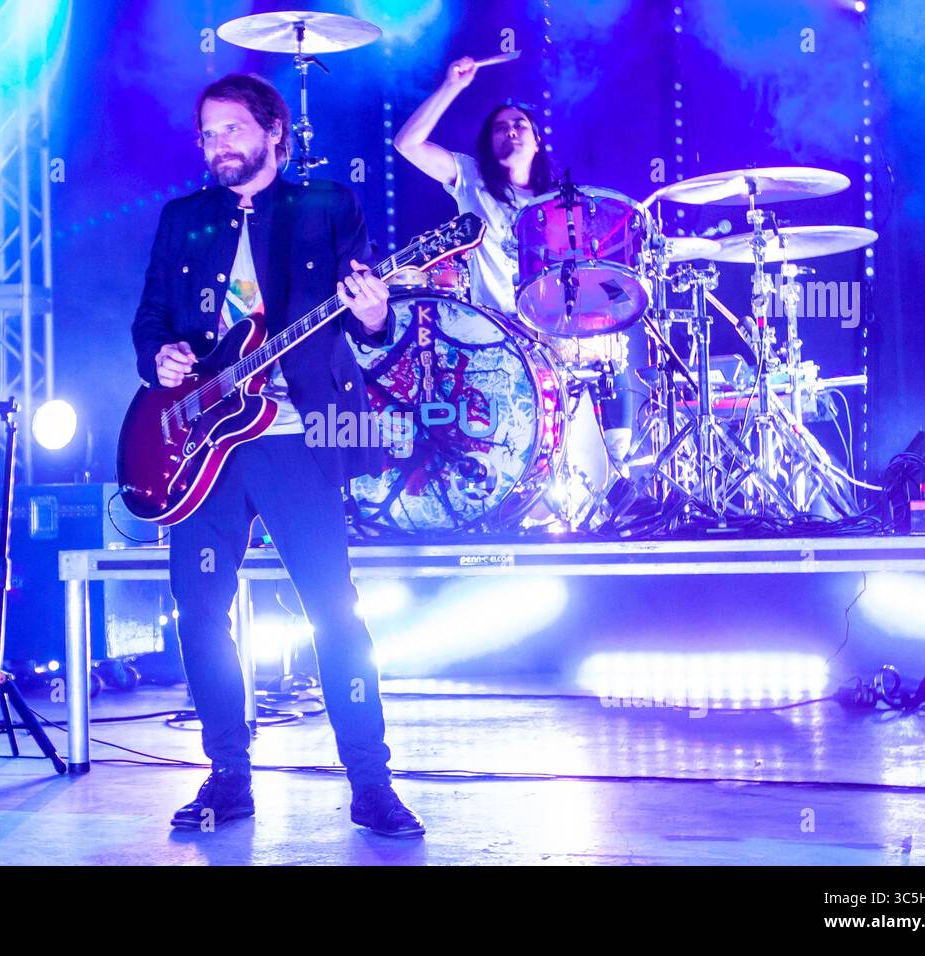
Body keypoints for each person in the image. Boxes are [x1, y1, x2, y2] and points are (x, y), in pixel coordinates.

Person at [131, 73, 424, 838]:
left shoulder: (325, 207)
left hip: (298, 436)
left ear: (274, 133)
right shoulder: (182, 218)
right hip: (202, 445)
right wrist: (158, 357)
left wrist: (375, 312)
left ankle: (371, 783)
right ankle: (228, 776)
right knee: (199, 611)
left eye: (230, 129)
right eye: (206, 133)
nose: (216, 144)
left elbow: (368, 327)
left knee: (335, 609)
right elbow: (150, 319)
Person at [394, 56, 634, 465]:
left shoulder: (559, 203)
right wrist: (452, 86)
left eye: (520, 125)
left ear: (537, 141)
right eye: (501, 128)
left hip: (550, 329)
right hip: (495, 330)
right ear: (489, 143)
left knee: (613, 345)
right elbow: (407, 145)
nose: (510, 131)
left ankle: (618, 468)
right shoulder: (471, 179)